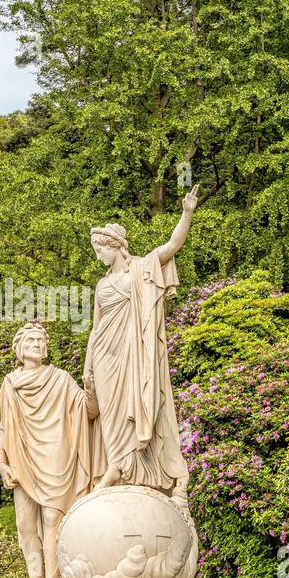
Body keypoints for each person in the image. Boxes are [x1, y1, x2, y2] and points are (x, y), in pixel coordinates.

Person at [84, 185, 199, 505]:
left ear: (117, 245)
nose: (98, 256)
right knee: (111, 414)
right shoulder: (102, 284)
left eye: (101, 249)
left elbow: (171, 246)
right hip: (105, 355)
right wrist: (87, 364)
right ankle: (117, 464)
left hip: (134, 353)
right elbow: (95, 329)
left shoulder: (140, 268)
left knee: (139, 407)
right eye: (96, 250)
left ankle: (124, 468)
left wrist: (187, 212)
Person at [0, 322, 92, 578]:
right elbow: (4, 427)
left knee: (53, 519)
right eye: (30, 341)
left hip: (55, 456)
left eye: (40, 341)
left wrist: (94, 384)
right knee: (25, 523)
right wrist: (2, 462)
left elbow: (86, 409)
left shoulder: (61, 379)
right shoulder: (10, 383)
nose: (36, 345)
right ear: (19, 348)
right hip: (21, 456)